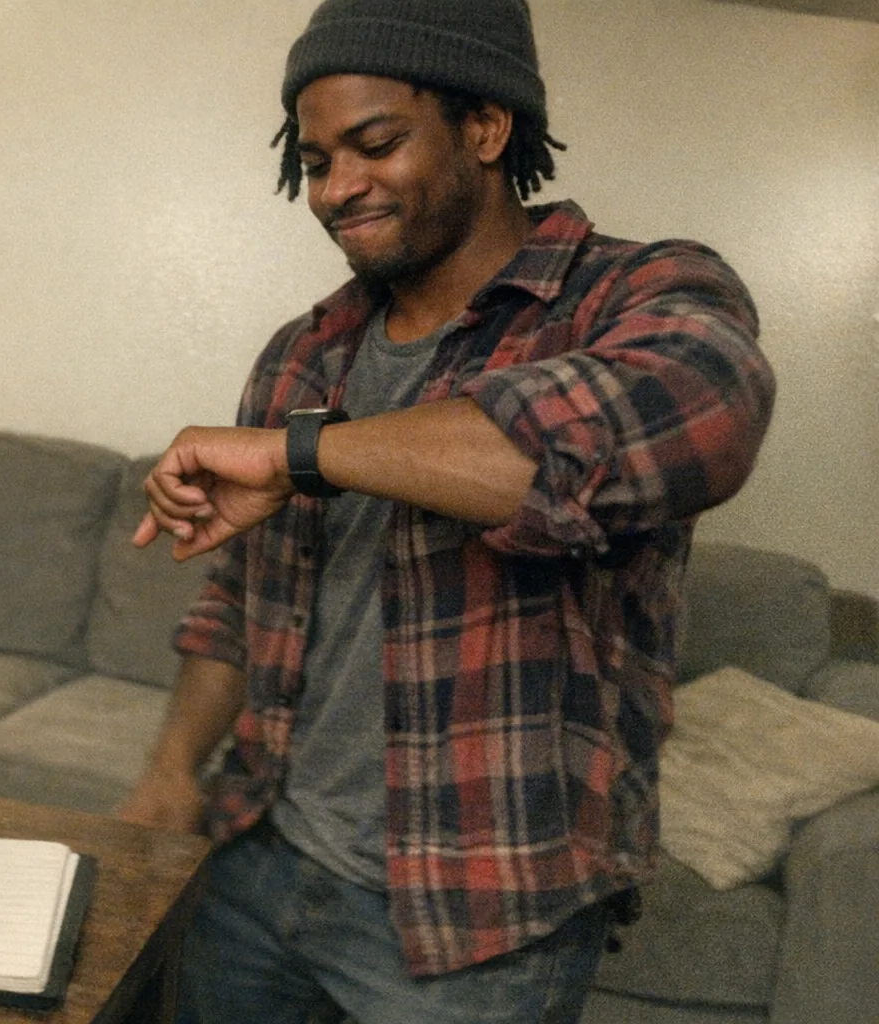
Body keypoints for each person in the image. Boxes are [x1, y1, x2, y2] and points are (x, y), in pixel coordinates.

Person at [119, 1, 776, 1022]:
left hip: (483, 923)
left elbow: (702, 421)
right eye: (316, 161)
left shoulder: (630, 294)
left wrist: (301, 455)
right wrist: (171, 772)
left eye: (376, 144)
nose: (337, 188)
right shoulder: (305, 353)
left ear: (486, 127)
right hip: (259, 865)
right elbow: (243, 600)